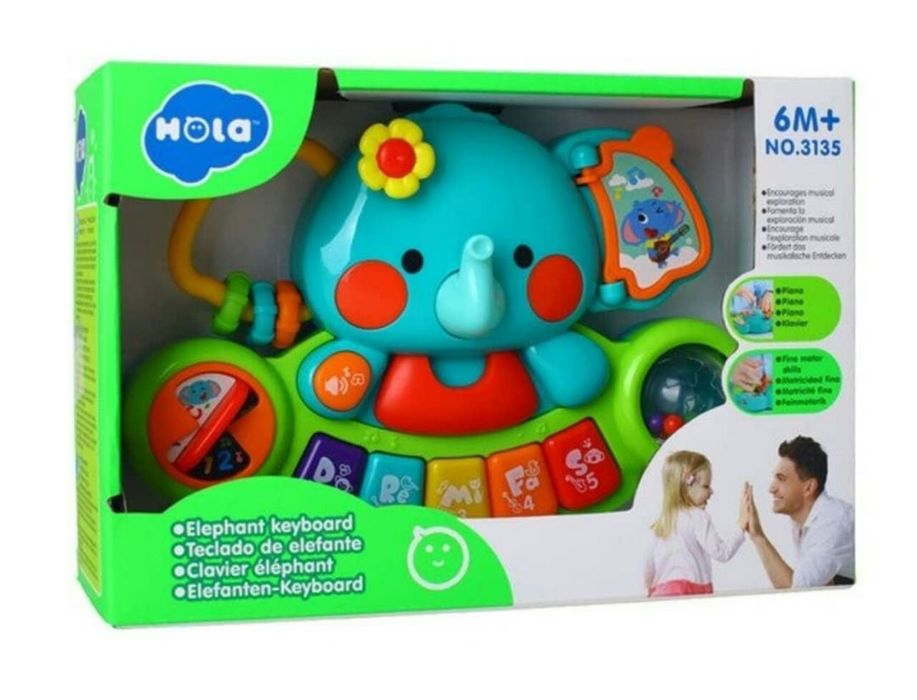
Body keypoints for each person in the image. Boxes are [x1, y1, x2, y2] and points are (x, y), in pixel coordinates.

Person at [743, 436, 854, 588]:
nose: (771, 488)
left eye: (781, 479)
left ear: (808, 488)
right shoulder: (805, 521)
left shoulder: (832, 524)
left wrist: (758, 536)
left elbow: (797, 592)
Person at [644, 451, 745, 597]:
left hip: (661, 594)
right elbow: (721, 553)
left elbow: (648, 566)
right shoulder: (698, 517)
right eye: (706, 486)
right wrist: (741, 526)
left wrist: (648, 591)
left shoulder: (660, 523)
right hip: (692, 592)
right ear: (687, 486)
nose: (711, 491)